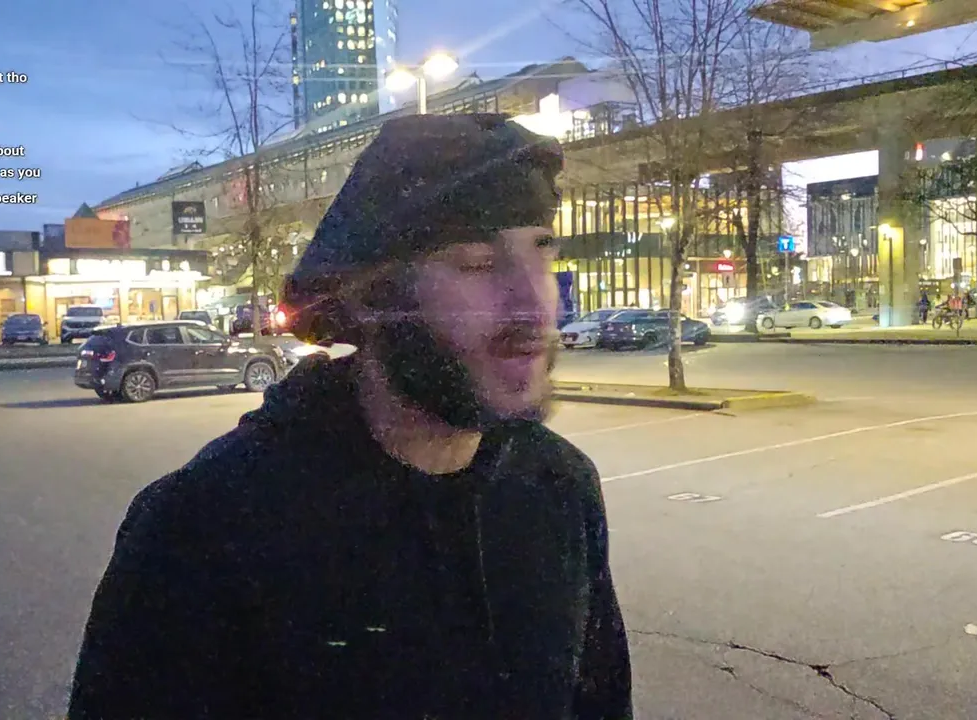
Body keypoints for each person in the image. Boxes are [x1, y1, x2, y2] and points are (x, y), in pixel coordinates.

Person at [68, 114, 633, 719]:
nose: (534, 305)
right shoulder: (205, 527)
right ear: (372, 297)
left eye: (542, 252)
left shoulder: (559, 486)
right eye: (476, 264)